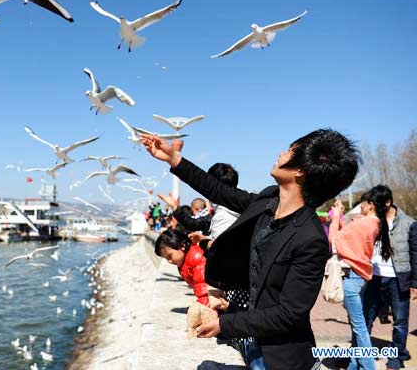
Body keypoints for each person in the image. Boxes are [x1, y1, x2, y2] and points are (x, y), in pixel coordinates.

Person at [141, 128, 359, 370]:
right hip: (251, 342)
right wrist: (174, 159)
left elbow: (287, 314)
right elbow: (221, 192)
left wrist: (225, 324)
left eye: (291, 150)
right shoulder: (269, 201)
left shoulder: (310, 239)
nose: (281, 153)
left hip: (280, 358)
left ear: (300, 170)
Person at [329, 190, 391, 370]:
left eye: (364, 203)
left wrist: (337, 216)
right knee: (358, 325)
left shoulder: (364, 223)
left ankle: (367, 366)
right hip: (360, 276)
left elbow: (333, 240)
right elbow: (347, 239)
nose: (361, 206)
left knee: (359, 328)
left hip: (351, 278)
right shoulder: (374, 223)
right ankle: (354, 365)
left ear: (371, 204)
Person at [362, 185, 417, 370]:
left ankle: (396, 357)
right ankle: (359, 355)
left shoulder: (409, 223)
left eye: (377, 204)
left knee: (400, 321)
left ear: (388, 202)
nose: (373, 207)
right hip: (373, 277)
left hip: (398, 278)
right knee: (365, 317)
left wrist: (415, 282)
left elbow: (415, 254)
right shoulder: (372, 221)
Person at [154, 228, 213, 306]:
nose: (169, 261)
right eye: (166, 259)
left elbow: (203, 286)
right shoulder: (183, 262)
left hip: (215, 296)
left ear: (182, 246)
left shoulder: (195, 258)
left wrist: (203, 305)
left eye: (170, 256)